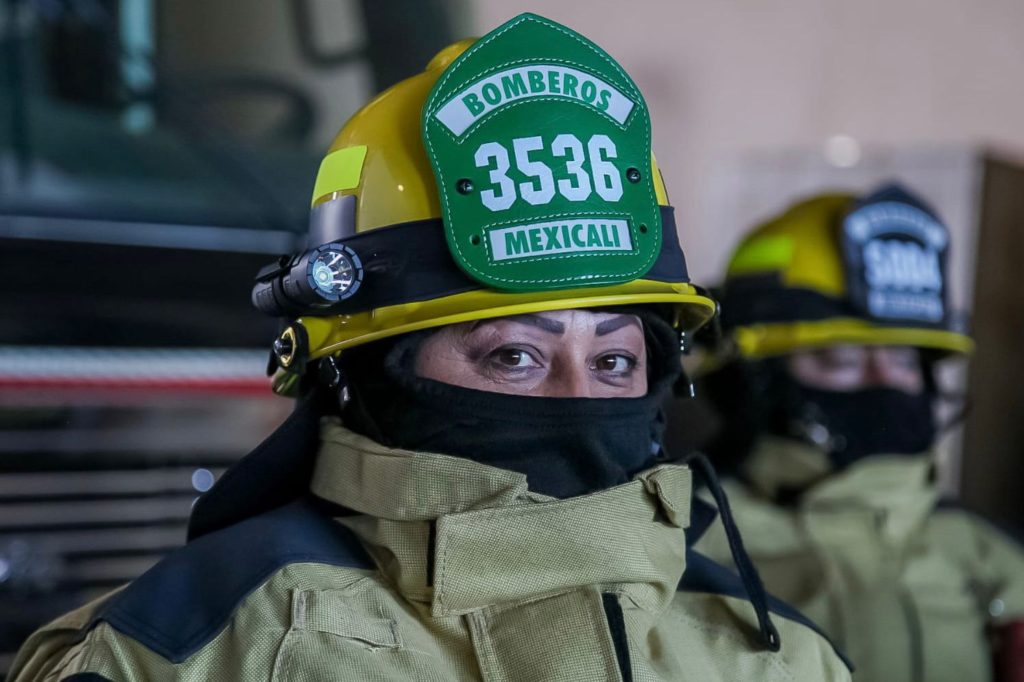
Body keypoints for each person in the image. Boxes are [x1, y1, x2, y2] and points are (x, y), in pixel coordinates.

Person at [9, 14, 852, 681]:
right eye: (513, 356)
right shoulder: (168, 656)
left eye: (614, 361)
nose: (577, 398)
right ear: (374, 371)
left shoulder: (779, 658)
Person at [694, 185, 1024, 682]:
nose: (884, 382)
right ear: (751, 379)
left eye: (904, 358)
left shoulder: (988, 555)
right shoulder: (685, 548)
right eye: (841, 359)